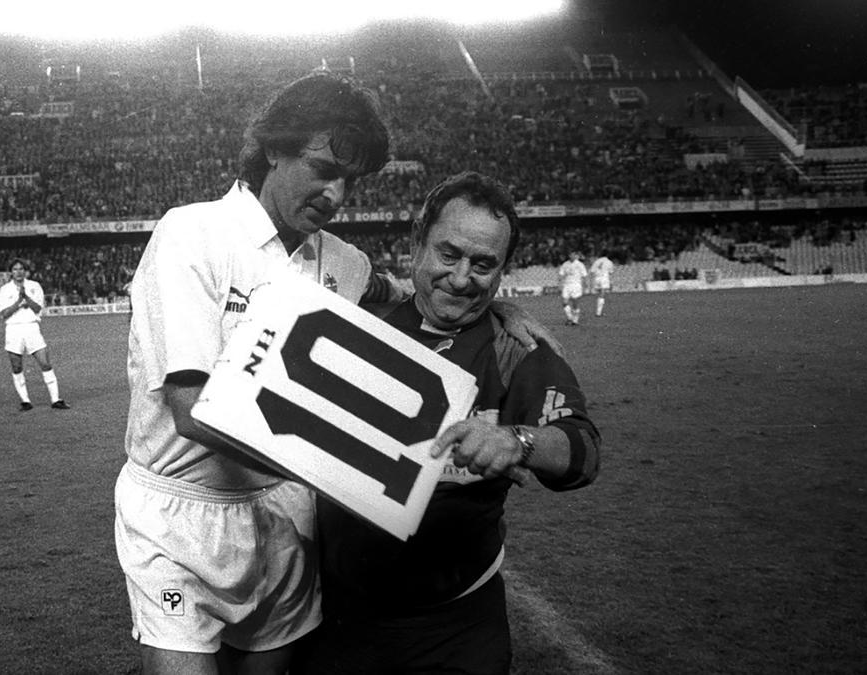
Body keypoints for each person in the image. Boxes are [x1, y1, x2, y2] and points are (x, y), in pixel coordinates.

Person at [116, 73, 556, 675]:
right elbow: (192, 410)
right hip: (180, 515)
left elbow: (416, 292)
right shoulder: (192, 234)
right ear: (274, 147)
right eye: (322, 168)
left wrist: (492, 304)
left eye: (350, 180)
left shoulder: (344, 265)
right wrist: (352, 469)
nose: (336, 193)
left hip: (284, 514)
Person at [294, 171, 601, 675]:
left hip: (455, 631)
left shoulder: (516, 349)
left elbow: (582, 451)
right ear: (417, 243)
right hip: (338, 622)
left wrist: (517, 440)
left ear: (503, 269)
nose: (461, 279)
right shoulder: (358, 315)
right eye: (448, 254)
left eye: (483, 265)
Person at [0, 258, 68, 411]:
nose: (18, 272)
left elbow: (37, 308)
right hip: (13, 329)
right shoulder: (4, 290)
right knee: (16, 366)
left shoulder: (34, 286)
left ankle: (56, 399)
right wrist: (18, 302)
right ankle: (25, 401)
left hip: (32, 328)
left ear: (25, 271)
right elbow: (4, 313)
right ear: (11, 272)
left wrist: (26, 298)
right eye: (15, 269)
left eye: (21, 269)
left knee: (45, 363)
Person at [558, 250, 589, 325]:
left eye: (573, 254)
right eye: (570, 254)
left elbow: (585, 275)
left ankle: (575, 320)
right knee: (564, 302)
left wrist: (586, 285)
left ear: (575, 255)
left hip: (576, 285)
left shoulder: (580, 264)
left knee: (575, 303)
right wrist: (560, 283)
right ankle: (569, 318)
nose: (571, 256)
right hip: (567, 285)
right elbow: (561, 274)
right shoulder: (565, 264)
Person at [589, 250, 615, 317]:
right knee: (602, 295)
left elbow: (591, 271)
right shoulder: (609, 262)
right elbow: (611, 272)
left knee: (600, 294)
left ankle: (599, 311)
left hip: (597, 278)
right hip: (604, 278)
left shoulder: (596, 261)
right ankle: (598, 313)